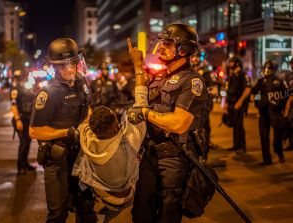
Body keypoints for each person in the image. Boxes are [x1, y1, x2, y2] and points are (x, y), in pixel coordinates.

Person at [128, 23, 208, 223]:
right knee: (140, 215)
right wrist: (138, 67)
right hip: (149, 155)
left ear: (184, 49)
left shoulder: (192, 82)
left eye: (169, 43)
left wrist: (145, 113)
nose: (162, 46)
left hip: (174, 158)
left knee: (167, 215)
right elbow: (140, 101)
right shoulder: (159, 76)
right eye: (162, 42)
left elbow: (179, 123)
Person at [72, 38, 147, 220]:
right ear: (116, 125)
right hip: (125, 192)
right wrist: (138, 65)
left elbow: (82, 123)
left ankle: (83, 207)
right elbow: (141, 103)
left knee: (78, 170)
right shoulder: (130, 141)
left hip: (100, 191)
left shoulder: (86, 139)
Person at [29, 38, 95, 223]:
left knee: (87, 210)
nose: (69, 69)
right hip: (57, 161)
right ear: (55, 67)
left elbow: (87, 109)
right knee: (58, 214)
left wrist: (87, 126)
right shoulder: (48, 92)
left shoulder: (82, 83)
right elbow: (34, 131)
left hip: (82, 157)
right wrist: (67, 132)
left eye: (72, 63)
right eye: (63, 66)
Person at [251, 60, 287, 165]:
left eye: (269, 69)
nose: (267, 71)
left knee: (278, 135)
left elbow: (285, 96)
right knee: (264, 136)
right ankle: (266, 159)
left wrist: (285, 110)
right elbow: (253, 93)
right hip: (263, 113)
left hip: (276, 112)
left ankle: (279, 153)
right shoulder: (261, 81)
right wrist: (257, 101)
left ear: (274, 70)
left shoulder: (279, 82)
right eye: (266, 68)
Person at [191, 52, 218, 158]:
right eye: (193, 56)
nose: (194, 59)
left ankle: (204, 155)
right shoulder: (190, 71)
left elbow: (214, 90)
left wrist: (201, 91)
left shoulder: (207, 72)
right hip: (192, 107)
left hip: (204, 106)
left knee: (203, 130)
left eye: (197, 57)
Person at [10, 74, 37, 175]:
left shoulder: (26, 88)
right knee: (23, 143)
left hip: (27, 119)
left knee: (27, 142)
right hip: (20, 119)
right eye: (21, 79)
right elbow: (13, 106)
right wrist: (17, 120)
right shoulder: (15, 90)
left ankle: (25, 163)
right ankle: (20, 167)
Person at [224, 56, 251, 154]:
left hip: (238, 104)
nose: (229, 64)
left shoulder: (243, 75)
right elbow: (229, 91)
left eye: (231, 62)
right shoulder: (232, 75)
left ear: (237, 63)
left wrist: (239, 102)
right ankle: (235, 145)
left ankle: (241, 147)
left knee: (239, 125)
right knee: (235, 125)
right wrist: (226, 104)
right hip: (231, 103)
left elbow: (247, 89)